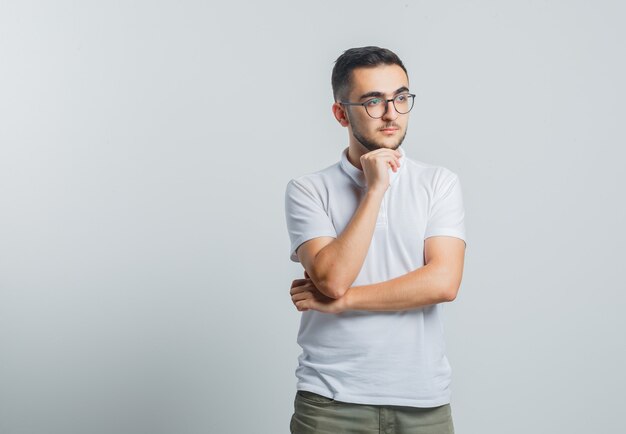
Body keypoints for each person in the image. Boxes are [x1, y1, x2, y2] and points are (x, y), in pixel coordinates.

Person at [284, 46, 467, 434]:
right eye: (373, 101)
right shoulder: (308, 190)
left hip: (423, 402)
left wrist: (346, 301)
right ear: (340, 113)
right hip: (330, 402)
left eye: (401, 98)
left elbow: (443, 282)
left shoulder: (438, 183)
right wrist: (374, 191)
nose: (391, 113)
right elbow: (332, 278)